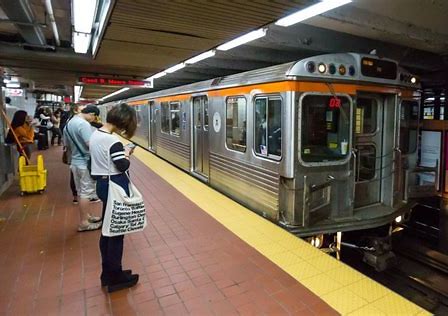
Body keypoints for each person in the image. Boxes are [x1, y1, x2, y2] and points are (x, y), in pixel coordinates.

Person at [90, 103, 138, 292]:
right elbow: (122, 166)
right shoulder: (112, 142)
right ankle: (116, 277)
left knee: (107, 231)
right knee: (117, 233)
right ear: (123, 121)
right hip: (114, 186)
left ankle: (107, 273)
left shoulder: (96, 135)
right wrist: (127, 153)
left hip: (102, 184)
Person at [63, 105, 101, 231]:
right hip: (84, 163)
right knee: (87, 192)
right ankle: (84, 223)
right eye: (94, 117)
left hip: (74, 162)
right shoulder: (83, 124)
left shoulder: (69, 124)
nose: (94, 120)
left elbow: (66, 145)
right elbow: (90, 144)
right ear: (90, 113)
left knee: (81, 192)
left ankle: (87, 216)